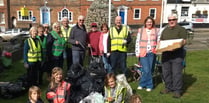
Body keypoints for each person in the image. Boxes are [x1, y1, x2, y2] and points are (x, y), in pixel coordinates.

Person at [159, 13, 187, 98]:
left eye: (173, 20)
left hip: (177, 54)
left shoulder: (181, 29)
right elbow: (161, 41)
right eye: (169, 20)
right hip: (166, 54)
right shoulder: (165, 30)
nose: (171, 21)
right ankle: (168, 87)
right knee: (166, 72)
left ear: (176, 20)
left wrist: (174, 47)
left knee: (176, 73)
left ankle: (177, 91)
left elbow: (184, 41)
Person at [135, 16, 159, 92]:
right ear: (145, 23)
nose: (149, 23)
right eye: (148, 22)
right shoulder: (141, 30)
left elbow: (158, 41)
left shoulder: (156, 30)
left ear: (153, 23)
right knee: (146, 70)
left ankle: (142, 84)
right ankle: (149, 85)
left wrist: (158, 50)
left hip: (152, 53)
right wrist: (137, 52)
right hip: (143, 53)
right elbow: (137, 42)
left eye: (151, 22)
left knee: (150, 70)